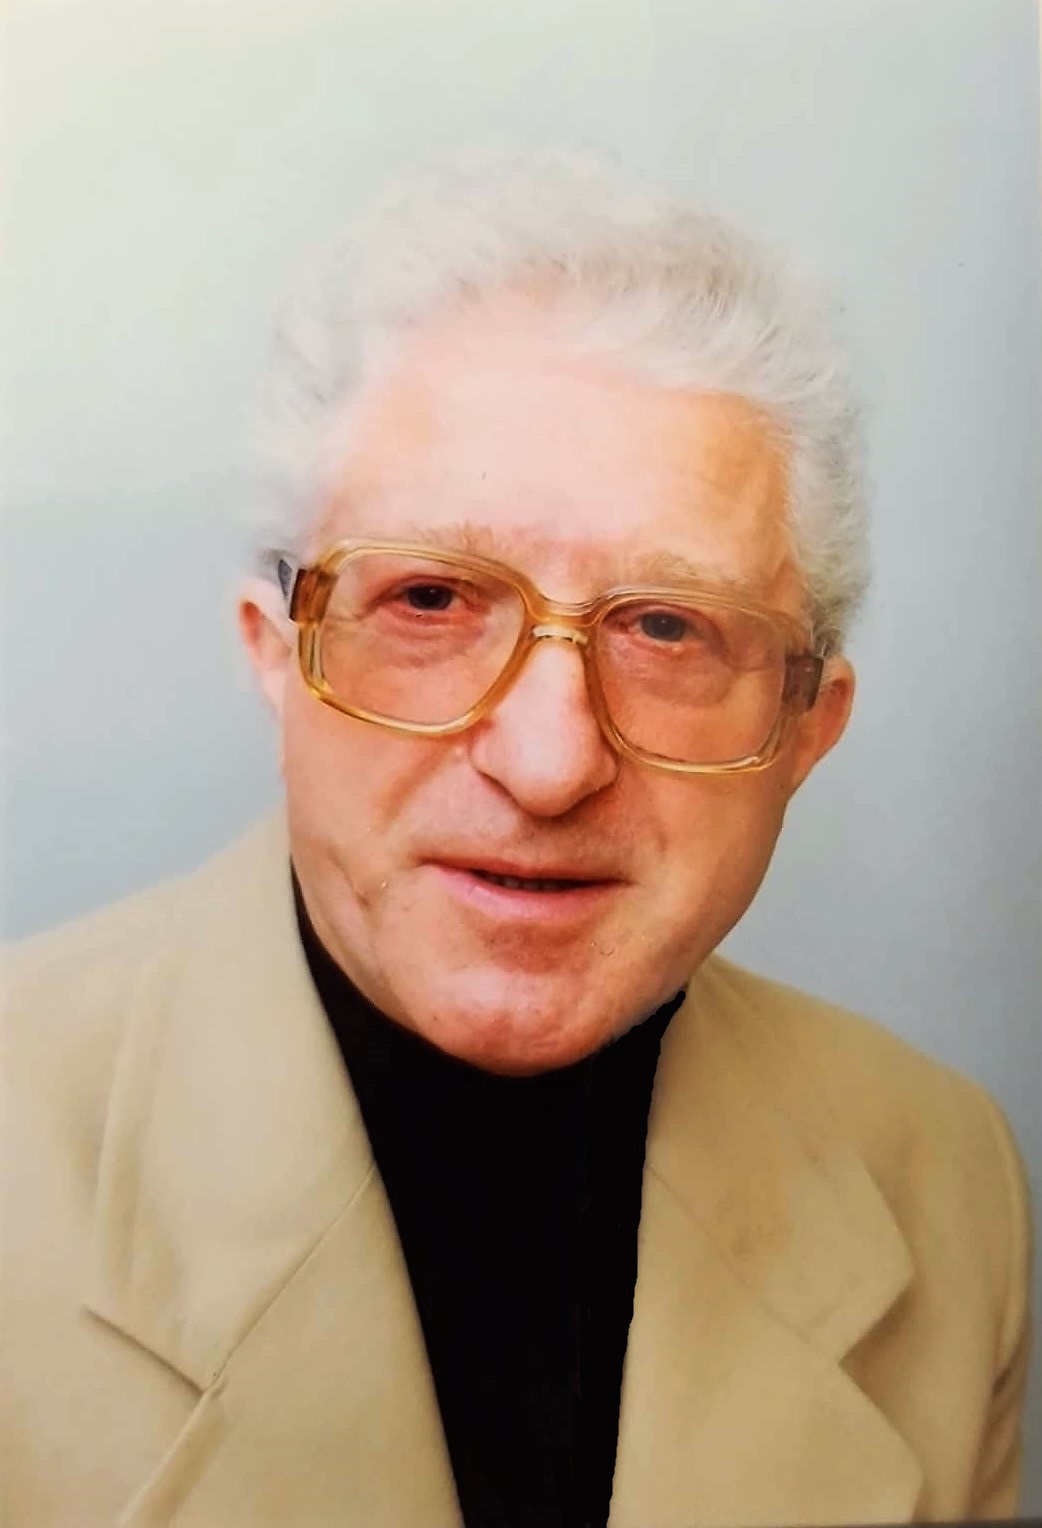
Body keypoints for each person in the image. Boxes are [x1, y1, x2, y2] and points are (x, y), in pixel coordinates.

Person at [3, 154, 1032, 1528]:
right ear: (276, 656)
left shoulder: (942, 1172)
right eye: (431, 600)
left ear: (808, 728)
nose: (549, 765)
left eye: (665, 627)